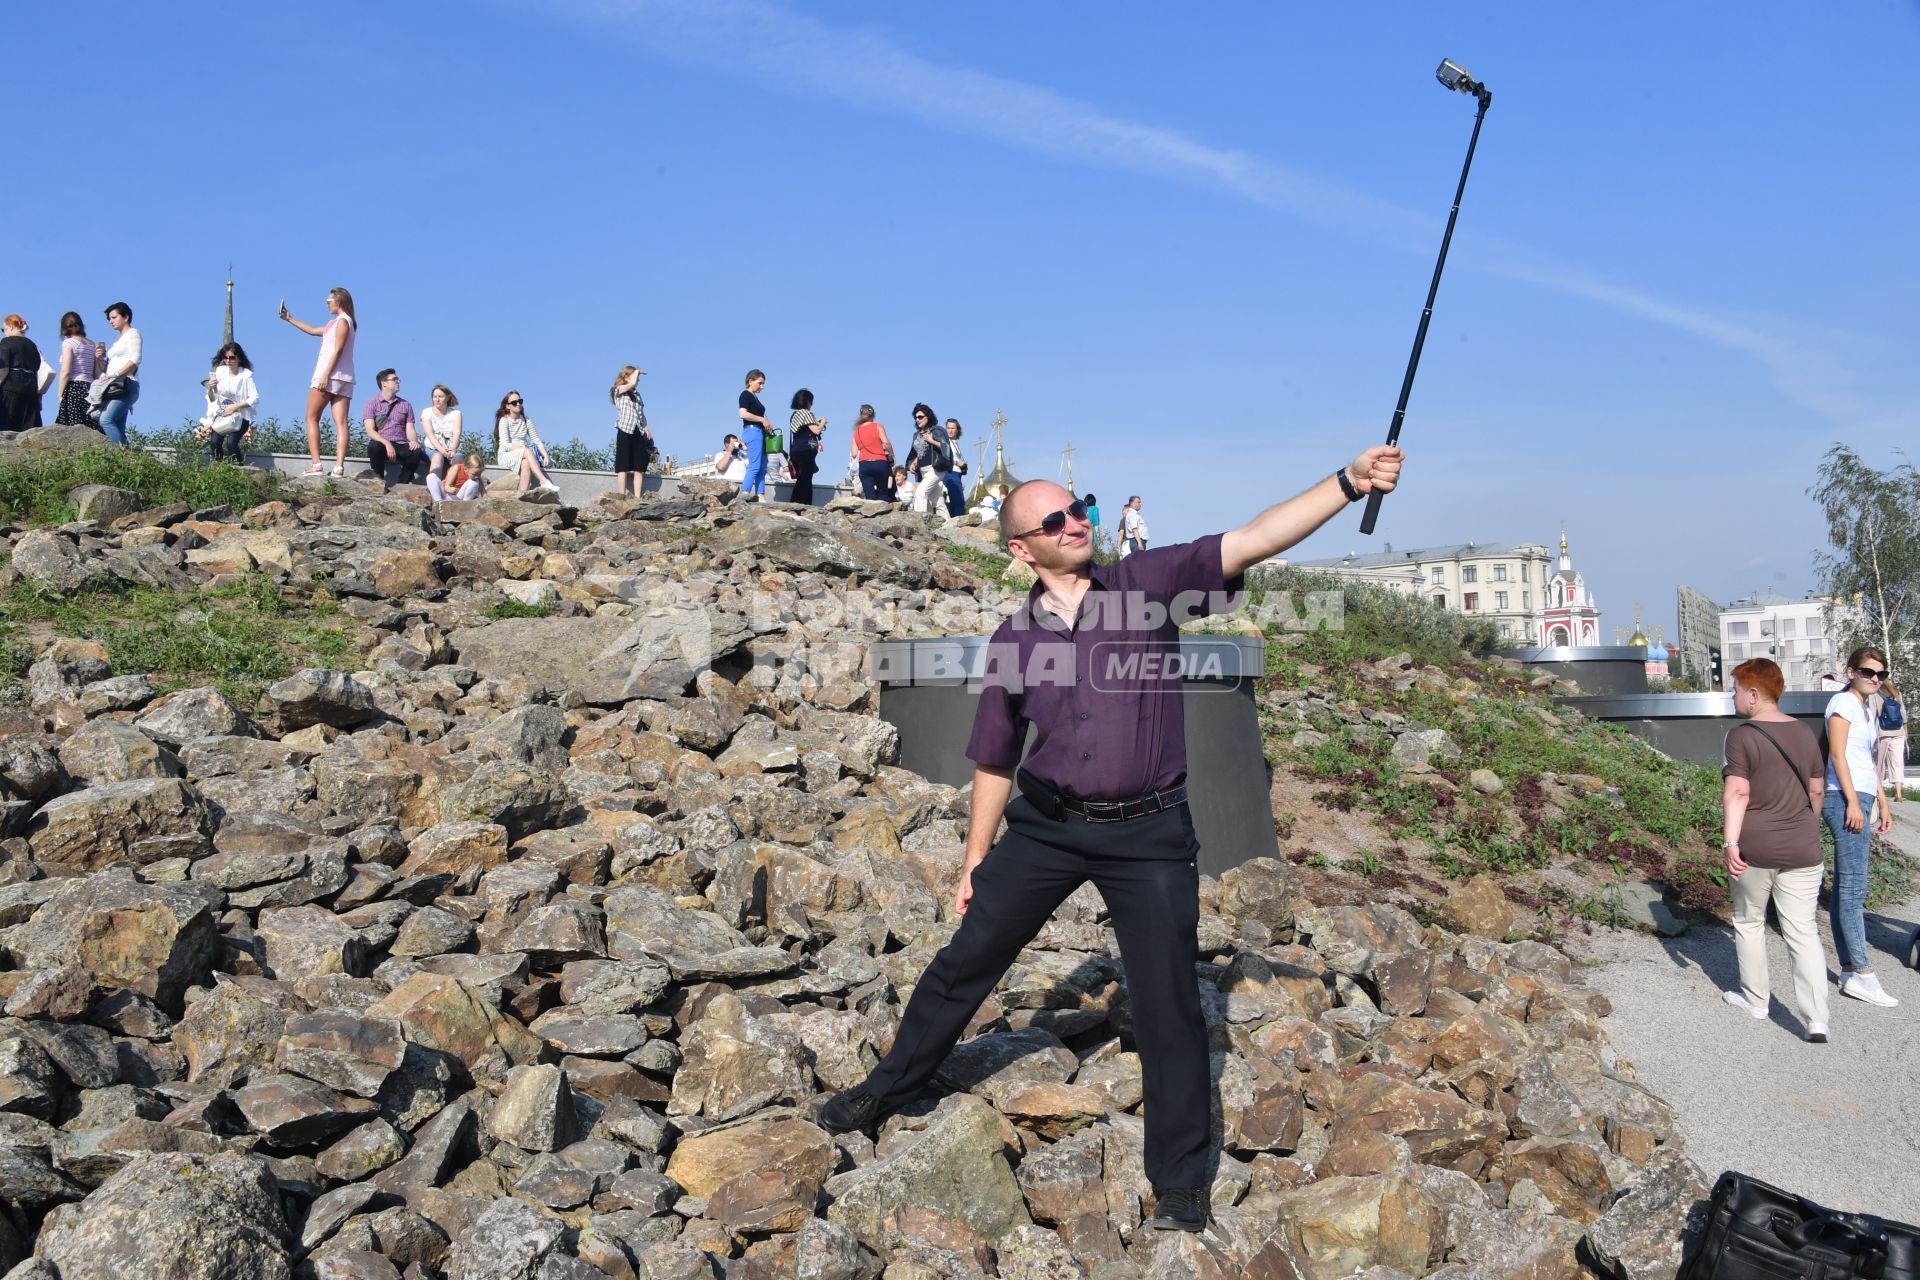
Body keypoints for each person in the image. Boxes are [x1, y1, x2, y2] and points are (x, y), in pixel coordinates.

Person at [816, 445, 1404, 1233]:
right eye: (1053, 519)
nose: (1076, 523)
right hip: (1048, 828)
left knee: (1167, 1006)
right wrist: (974, 860)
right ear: (1021, 547)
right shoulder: (1013, 638)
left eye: (1080, 508)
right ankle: (889, 1085)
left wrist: (1347, 482)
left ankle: (1182, 1180)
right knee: (966, 961)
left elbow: (1256, 537)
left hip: (1152, 833)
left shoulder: (1146, 588)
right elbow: (995, 757)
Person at [1720, 657, 1831, 1042]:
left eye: (1735, 689)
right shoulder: (1805, 732)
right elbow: (1817, 789)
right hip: (1803, 847)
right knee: (1802, 931)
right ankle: (1817, 1019)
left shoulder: (1742, 735)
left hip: (1756, 846)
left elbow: (1737, 791)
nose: (1732, 697)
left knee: (1749, 921)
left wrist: (1731, 842)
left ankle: (1756, 1001)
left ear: (1753, 694)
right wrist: (1804, 826)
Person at [1823, 646, 1897, 1008]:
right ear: (1850, 671)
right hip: (1842, 797)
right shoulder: (1843, 704)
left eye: (1881, 675)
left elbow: (1867, 761)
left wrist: (1882, 803)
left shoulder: (1867, 710)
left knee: (1846, 887)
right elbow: (1837, 755)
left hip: (1860, 796)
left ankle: (1851, 970)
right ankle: (1864, 975)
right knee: (1854, 887)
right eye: (1869, 672)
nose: (1875, 680)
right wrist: (1853, 801)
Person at [281, 287, 357, 476]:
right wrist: (290, 318)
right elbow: (314, 330)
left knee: (311, 418)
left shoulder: (342, 322)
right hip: (345, 378)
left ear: (339, 300)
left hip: (329, 376)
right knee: (341, 422)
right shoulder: (341, 323)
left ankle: (316, 464)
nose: (327, 304)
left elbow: (337, 350)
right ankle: (338, 467)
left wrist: (324, 374)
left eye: (329, 300)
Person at [195, 342, 259, 463]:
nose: (228, 361)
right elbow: (213, 398)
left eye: (232, 358)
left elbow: (254, 398)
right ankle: (218, 469)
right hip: (222, 415)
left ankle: (240, 469)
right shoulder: (220, 372)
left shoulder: (246, 375)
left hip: (241, 417)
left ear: (238, 358)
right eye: (225, 358)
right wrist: (210, 388)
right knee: (214, 442)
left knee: (231, 443)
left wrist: (235, 407)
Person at [359, 370, 419, 489]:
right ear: (384, 383)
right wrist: (386, 443)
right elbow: (370, 431)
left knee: (415, 452)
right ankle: (378, 482)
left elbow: (410, 428)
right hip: (380, 443)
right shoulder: (371, 403)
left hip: (399, 443)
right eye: (394, 379)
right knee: (375, 446)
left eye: (398, 380)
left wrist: (413, 441)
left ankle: (401, 485)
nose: (398, 382)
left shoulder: (405, 405)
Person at [93, 302, 142, 444]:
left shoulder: (133, 334)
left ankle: (125, 458)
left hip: (126, 384)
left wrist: (116, 374)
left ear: (125, 317)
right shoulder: (119, 340)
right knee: (118, 427)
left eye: (114, 317)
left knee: (106, 419)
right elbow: (110, 366)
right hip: (115, 386)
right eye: (109, 319)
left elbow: (135, 359)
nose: (111, 321)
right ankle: (126, 460)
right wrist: (101, 358)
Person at [494, 391, 557, 494]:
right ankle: (544, 481)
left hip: (523, 455)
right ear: (508, 406)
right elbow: (505, 445)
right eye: (514, 402)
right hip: (506, 455)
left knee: (526, 463)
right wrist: (524, 450)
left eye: (520, 401)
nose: (518, 404)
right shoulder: (504, 420)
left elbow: (536, 439)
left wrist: (546, 456)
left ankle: (521, 494)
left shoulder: (526, 420)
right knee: (527, 452)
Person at [610, 365, 653, 497]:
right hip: (625, 428)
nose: (637, 381)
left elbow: (641, 413)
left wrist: (646, 427)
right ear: (626, 377)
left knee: (638, 466)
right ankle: (622, 495)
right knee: (622, 464)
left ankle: (638, 497)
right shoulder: (617, 390)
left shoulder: (637, 395)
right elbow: (633, 382)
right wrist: (637, 372)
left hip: (637, 430)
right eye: (635, 377)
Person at [52, 312, 100, 427]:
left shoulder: (69, 343)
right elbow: (94, 372)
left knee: (72, 425)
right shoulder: (91, 344)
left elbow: (66, 371)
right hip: (90, 387)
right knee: (90, 423)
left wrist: (60, 394)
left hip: (74, 387)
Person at [905, 403, 953, 516]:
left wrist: (932, 440)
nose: (917, 419)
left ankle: (920, 525)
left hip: (935, 469)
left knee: (920, 493)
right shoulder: (916, 435)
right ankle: (949, 526)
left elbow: (946, 448)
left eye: (920, 417)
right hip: (923, 471)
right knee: (938, 502)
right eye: (916, 417)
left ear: (928, 417)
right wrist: (913, 461)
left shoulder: (937, 431)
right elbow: (917, 451)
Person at [0, 315, 43, 433]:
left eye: (4, 329)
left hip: (10, 389)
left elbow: (3, 368)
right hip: (31, 390)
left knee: (6, 428)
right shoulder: (33, 346)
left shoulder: (6, 342)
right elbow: (38, 369)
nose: (4, 332)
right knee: (28, 430)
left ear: (11, 326)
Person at [737, 369, 772, 501]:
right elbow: (743, 414)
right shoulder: (745, 395)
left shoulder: (754, 397)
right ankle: (745, 492)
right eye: (760, 383)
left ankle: (760, 495)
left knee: (762, 466)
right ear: (750, 381)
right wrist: (762, 419)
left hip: (759, 432)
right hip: (752, 431)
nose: (762, 387)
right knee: (755, 465)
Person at [789, 389, 826, 505]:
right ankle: (799, 503)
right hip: (806, 449)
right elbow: (815, 430)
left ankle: (802, 503)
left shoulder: (795, 414)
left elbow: (804, 429)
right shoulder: (806, 413)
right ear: (808, 401)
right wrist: (823, 422)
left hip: (797, 449)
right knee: (805, 479)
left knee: (803, 477)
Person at [420, 385, 464, 482]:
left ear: (448, 397)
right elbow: (429, 433)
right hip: (432, 448)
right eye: (435, 397)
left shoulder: (456, 414)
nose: (437, 399)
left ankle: (453, 487)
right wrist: (442, 450)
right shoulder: (426, 412)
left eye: (440, 396)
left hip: (452, 449)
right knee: (437, 458)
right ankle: (434, 486)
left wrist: (452, 449)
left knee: (458, 459)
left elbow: (457, 432)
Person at [849, 404, 892, 500]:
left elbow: (854, 454)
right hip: (880, 462)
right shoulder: (878, 426)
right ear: (873, 415)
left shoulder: (856, 431)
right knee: (883, 493)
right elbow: (886, 443)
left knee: (869, 496)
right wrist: (892, 455)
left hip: (864, 465)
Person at [1875, 679, 1907, 806]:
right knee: (1898, 762)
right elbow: (1903, 711)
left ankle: (1879, 792)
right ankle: (1898, 794)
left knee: (1879, 763)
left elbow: (1873, 711)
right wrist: (1905, 728)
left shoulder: (1874, 694)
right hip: (1898, 731)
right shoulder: (1896, 692)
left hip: (1883, 732)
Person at [941, 418, 969, 517]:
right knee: (958, 502)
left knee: (957, 501)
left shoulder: (955, 443)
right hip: (950, 473)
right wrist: (958, 463)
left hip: (957, 474)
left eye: (953, 428)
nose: (950, 430)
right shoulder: (945, 442)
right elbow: (942, 458)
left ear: (957, 430)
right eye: (948, 428)